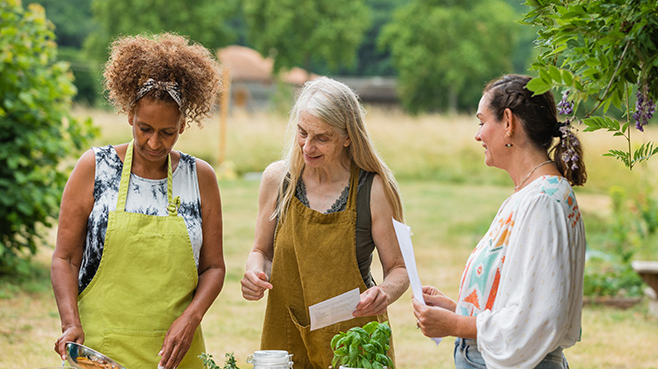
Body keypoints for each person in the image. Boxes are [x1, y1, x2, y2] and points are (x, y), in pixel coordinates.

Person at [51, 33, 225, 369]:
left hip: (174, 353)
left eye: (167, 132)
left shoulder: (200, 177)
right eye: (145, 128)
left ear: (183, 126)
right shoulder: (95, 168)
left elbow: (214, 268)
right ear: (130, 114)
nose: (155, 142)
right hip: (100, 348)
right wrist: (70, 322)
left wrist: (191, 319)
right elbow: (66, 257)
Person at [413, 74, 587, 369]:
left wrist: (456, 325)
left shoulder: (543, 201)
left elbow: (537, 320)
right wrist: (459, 311)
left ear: (508, 122)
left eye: (482, 122)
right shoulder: (531, 194)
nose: (478, 135)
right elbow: (521, 301)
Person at [240, 77, 409, 369]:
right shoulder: (277, 180)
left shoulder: (373, 189)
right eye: (302, 132)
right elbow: (261, 252)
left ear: (348, 137)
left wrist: (385, 292)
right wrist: (254, 273)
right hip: (287, 335)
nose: (307, 146)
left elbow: (399, 269)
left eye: (322, 137)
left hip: (354, 340)